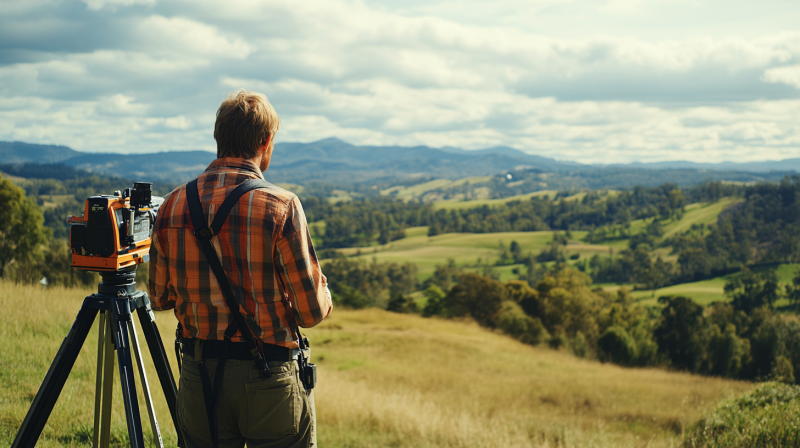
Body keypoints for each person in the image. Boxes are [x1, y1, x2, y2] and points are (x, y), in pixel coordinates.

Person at [149, 89, 332, 448]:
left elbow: (158, 298)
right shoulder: (282, 206)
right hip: (270, 377)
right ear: (266, 142)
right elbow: (311, 313)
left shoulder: (172, 205)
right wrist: (322, 286)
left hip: (200, 376)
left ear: (218, 137)